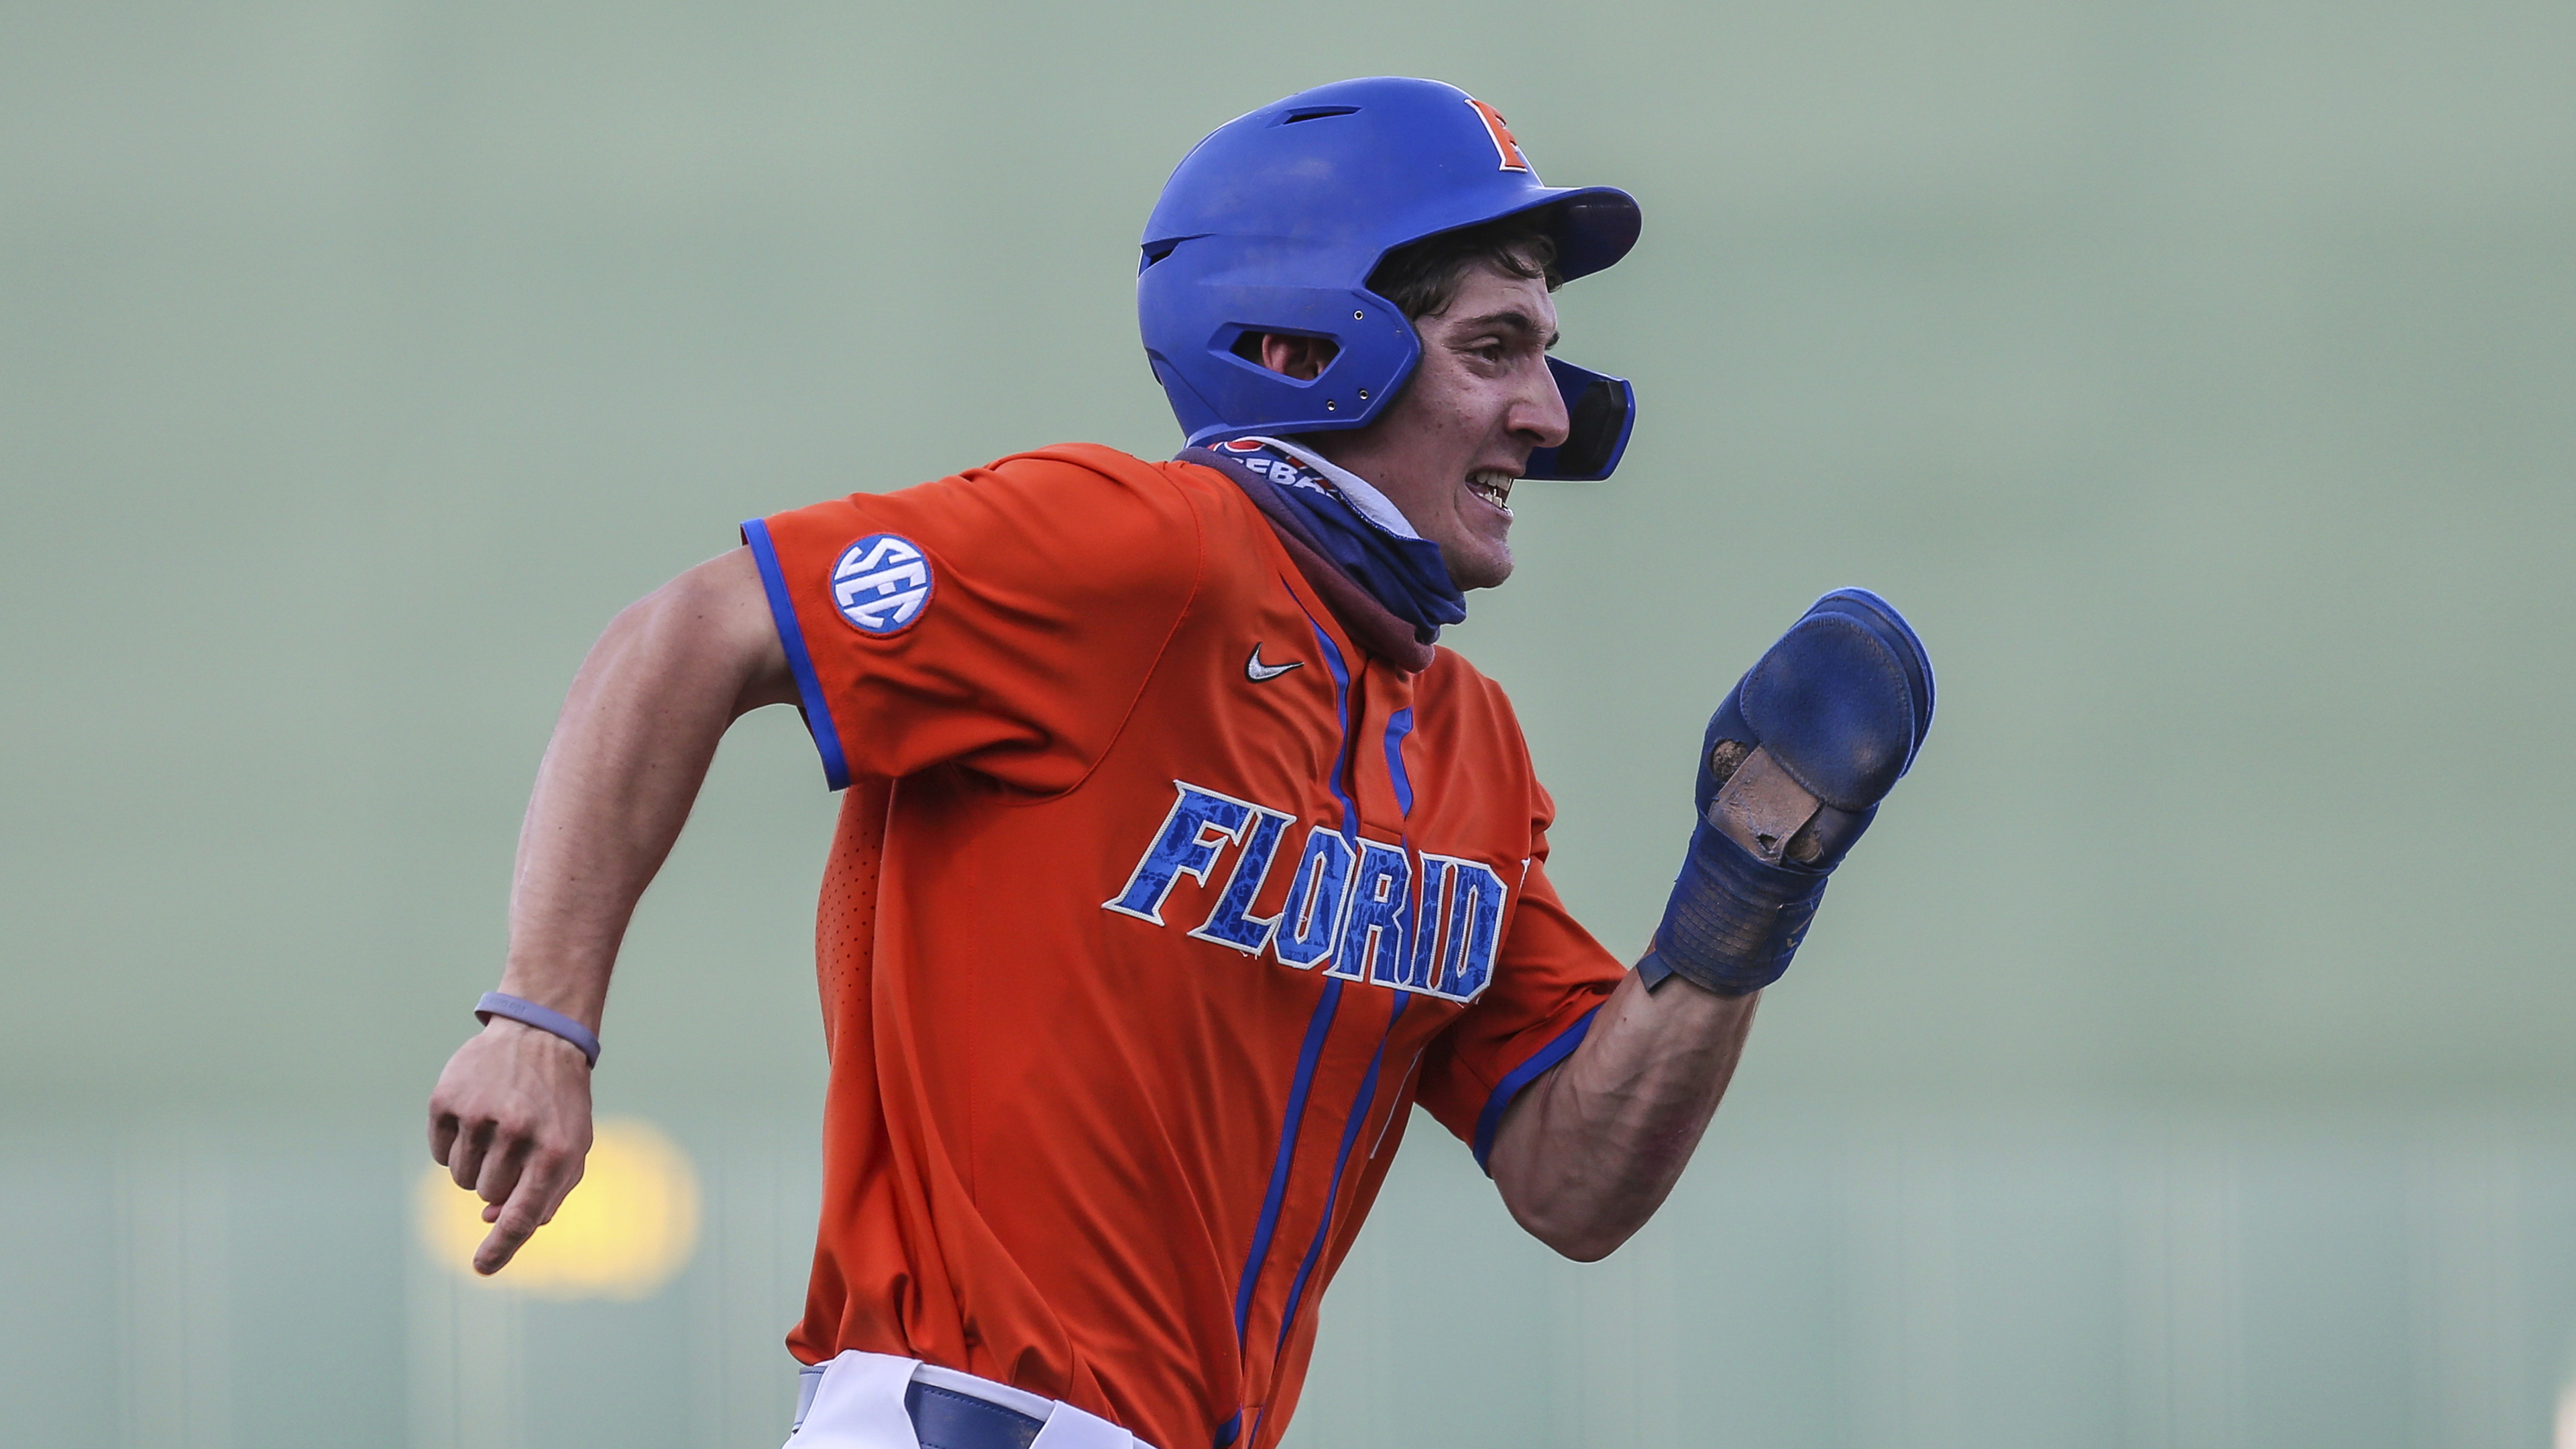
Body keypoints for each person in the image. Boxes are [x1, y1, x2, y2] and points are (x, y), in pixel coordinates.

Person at [427, 76, 1931, 1449]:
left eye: (1543, 355)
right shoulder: (1140, 549)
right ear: (1295, 350)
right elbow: (690, 630)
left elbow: (1572, 1177)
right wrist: (541, 1016)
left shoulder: (1463, 741)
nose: (1545, 412)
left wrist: (1743, 898)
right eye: (1495, 349)